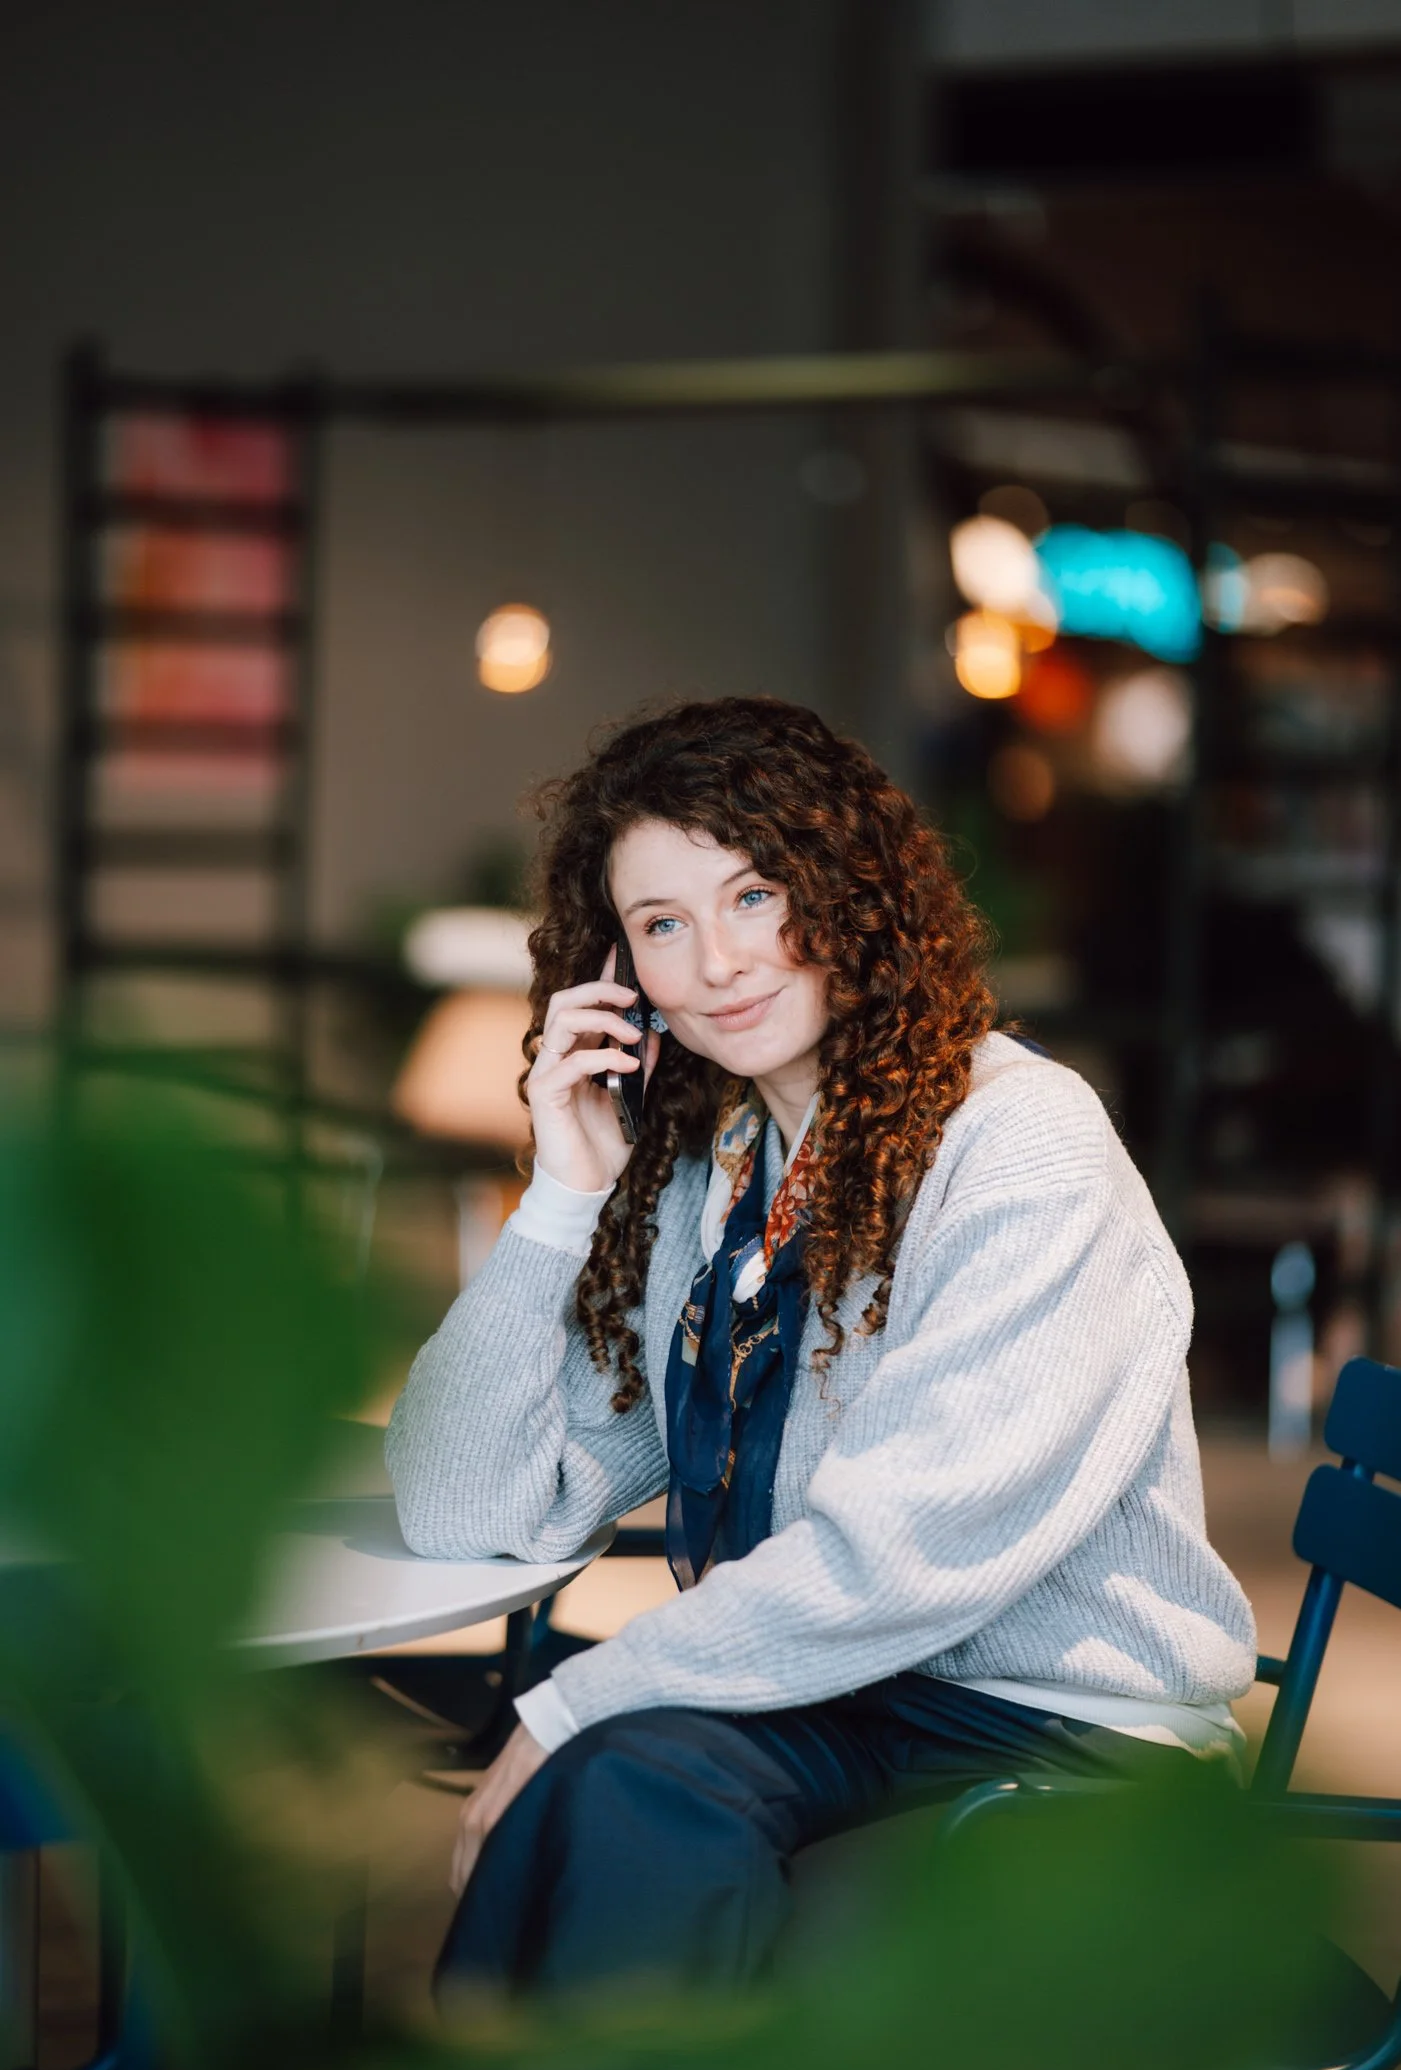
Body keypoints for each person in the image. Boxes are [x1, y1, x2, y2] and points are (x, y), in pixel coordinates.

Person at [386, 694, 1256, 2001]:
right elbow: (467, 1504)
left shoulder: (1020, 1143)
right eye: (662, 924)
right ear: (622, 975)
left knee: (616, 1768)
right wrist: (562, 1193)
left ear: (846, 891)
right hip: (853, 1688)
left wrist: (570, 1703)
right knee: (628, 1780)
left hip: (1061, 1730)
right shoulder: (731, 1158)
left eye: (752, 897)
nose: (721, 960)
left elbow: (901, 1560)